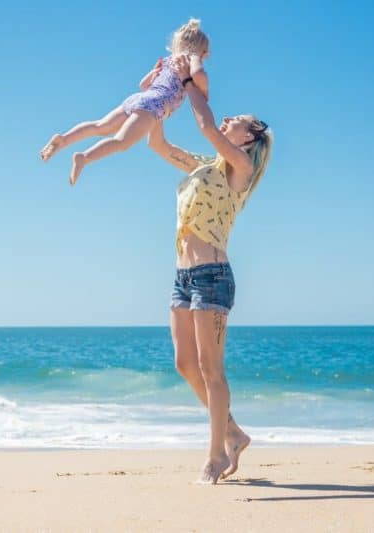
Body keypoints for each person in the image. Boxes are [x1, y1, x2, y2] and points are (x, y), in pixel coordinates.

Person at [148, 55, 272, 484]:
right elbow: (158, 146)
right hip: (182, 277)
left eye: (240, 119)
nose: (229, 118)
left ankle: (216, 456)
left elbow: (205, 124)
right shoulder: (205, 165)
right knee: (185, 364)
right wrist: (159, 95)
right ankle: (234, 433)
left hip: (212, 278)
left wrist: (189, 81)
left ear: (250, 137)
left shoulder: (241, 168)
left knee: (211, 369)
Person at [40, 19, 210, 185]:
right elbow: (199, 74)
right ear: (201, 51)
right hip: (155, 105)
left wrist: (153, 73)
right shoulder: (191, 58)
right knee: (121, 142)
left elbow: (143, 85)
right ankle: (84, 158)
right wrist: (204, 92)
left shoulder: (167, 61)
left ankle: (63, 139)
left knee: (100, 126)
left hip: (139, 99)